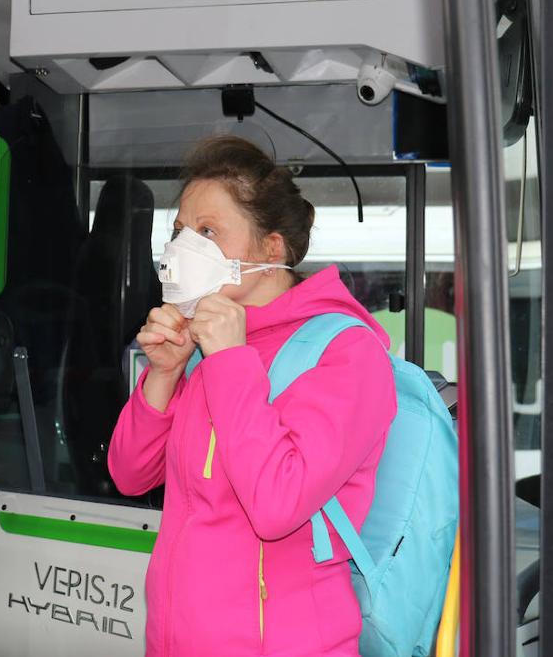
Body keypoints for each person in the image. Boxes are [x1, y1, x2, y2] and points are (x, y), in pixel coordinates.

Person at [108, 135, 397, 656]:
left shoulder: (345, 352)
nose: (182, 249)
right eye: (179, 232)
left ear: (271, 248)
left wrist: (228, 362)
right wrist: (165, 373)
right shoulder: (211, 340)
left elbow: (277, 505)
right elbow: (129, 473)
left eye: (208, 231)